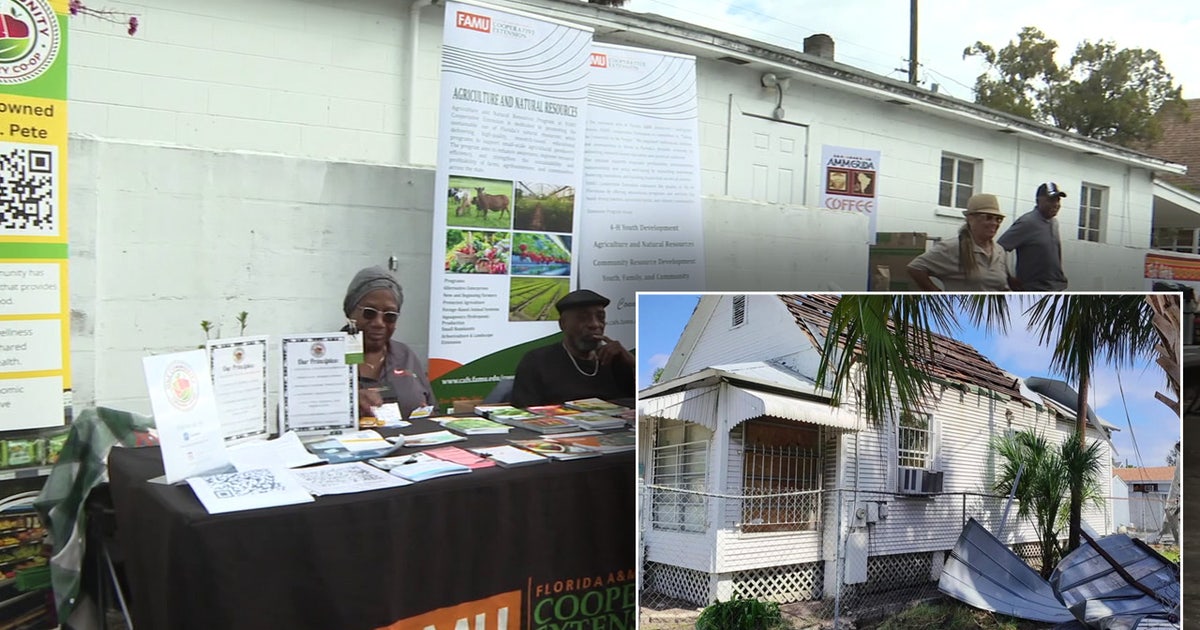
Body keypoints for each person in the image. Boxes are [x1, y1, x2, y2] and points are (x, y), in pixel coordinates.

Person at [510, 289, 635, 407]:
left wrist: (633, 363)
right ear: (563, 324)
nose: (595, 324)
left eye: (600, 317)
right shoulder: (537, 361)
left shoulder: (613, 359)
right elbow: (525, 413)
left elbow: (640, 403)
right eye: (583, 318)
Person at [342, 266, 435, 420]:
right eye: (369, 313)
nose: (379, 323)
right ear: (350, 312)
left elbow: (432, 409)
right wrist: (348, 402)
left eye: (390, 316)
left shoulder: (405, 355)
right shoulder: (327, 359)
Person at [906, 193, 1015, 291]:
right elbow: (915, 268)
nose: (994, 223)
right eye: (988, 218)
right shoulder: (952, 247)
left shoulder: (999, 250)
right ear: (970, 219)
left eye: (998, 219)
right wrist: (937, 295)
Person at [997, 182, 1069, 290]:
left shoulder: (1054, 222)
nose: (1056, 204)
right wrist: (1007, 277)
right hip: (1034, 289)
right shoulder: (1027, 222)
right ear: (1038, 201)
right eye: (1051, 200)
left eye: (1058, 200)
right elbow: (998, 248)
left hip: (1056, 287)